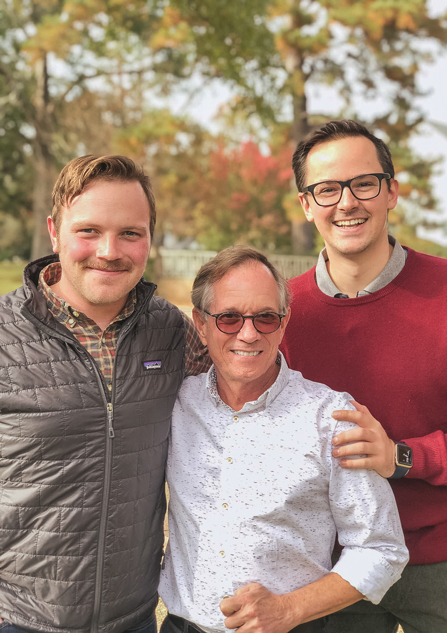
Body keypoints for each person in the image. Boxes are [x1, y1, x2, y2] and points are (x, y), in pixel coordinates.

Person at [280, 119, 447, 633]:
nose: (346, 202)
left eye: (363, 184)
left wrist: (402, 457)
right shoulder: (278, 313)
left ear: (391, 192)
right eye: (326, 189)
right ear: (306, 205)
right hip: (331, 566)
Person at [0, 155, 210, 633]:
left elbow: (245, 390)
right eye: (88, 231)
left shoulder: (171, 331)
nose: (109, 251)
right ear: (54, 231)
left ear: (150, 238)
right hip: (18, 619)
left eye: (130, 233)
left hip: (132, 617)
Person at [158, 245, 408, 633]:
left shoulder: (332, 419)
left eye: (265, 318)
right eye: (228, 318)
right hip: (180, 625)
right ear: (201, 323)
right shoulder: (175, 403)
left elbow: (381, 549)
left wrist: (289, 610)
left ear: (284, 322)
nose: (248, 333)